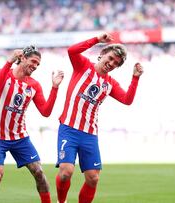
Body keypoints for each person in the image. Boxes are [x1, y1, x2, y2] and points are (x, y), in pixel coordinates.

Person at [55, 32, 144, 203]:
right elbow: (72, 51)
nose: (111, 64)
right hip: (69, 128)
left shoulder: (110, 83)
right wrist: (96, 40)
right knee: (66, 172)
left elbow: (127, 100)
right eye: (110, 58)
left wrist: (135, 78)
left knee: (93, 178)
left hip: (89, 134)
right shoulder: (83, 66)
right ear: (102, 54)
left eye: (115, 63)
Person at [0, 45, 64, 203]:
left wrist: (54, 88)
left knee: (39, 172)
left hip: (20, 138)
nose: (35, 66)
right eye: (33, 61)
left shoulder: (34, 85)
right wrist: (9, 61)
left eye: (38, 64)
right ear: (23, 58)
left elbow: (45, 112)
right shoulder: (2, 73)